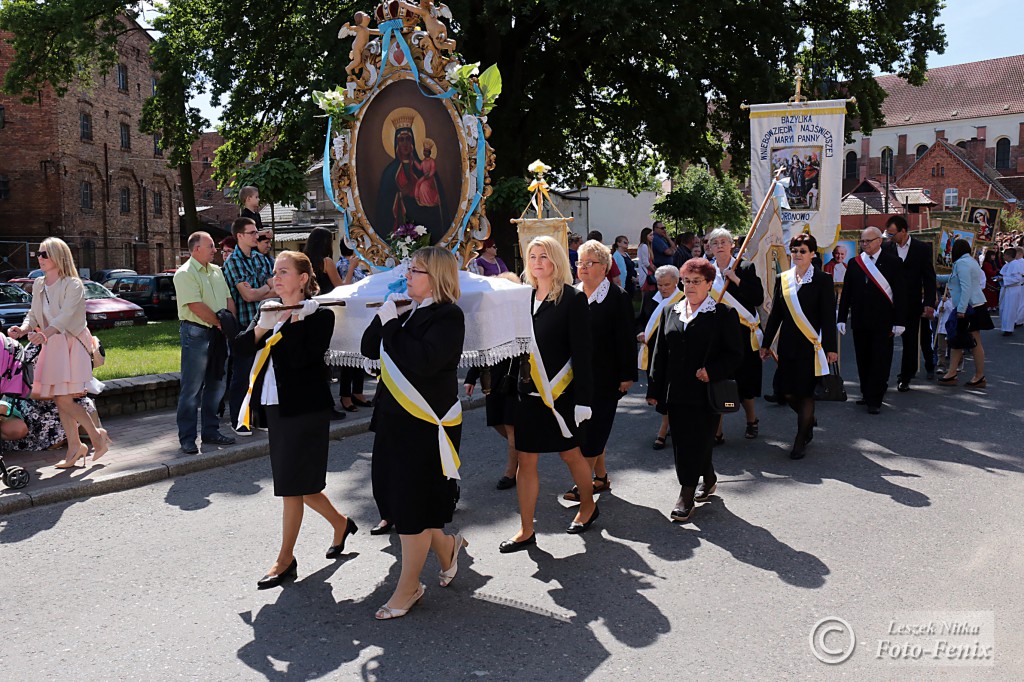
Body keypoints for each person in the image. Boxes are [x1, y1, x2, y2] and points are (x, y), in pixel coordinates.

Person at [360, 246, 468, 619]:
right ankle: (448, 548)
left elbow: (424, 362)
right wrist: (386, 318)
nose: (407, 276)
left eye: (415, 271)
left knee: (412, 509)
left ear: (435, 276)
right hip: (395, 420)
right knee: (403, 501)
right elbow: (367, 349)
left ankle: (408, 589)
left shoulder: (449, 316)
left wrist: (392, 325)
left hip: (425, 426)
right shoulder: (407, 312)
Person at [238, 251, 357, 589]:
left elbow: (301, 359)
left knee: (292, 485)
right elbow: (240, 349)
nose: (276, 277)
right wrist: (263, 328)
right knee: (301, 484)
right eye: (275, 271)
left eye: (284, 271)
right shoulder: (269, 311)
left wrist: (290, 326)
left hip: (306, 408)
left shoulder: (320, 315)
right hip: (275, 406)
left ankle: (285, 559)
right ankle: (340, 523)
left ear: (303, 279)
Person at [500, 236, 596, 553]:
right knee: (525, 461)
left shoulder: (572, 299)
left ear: (556, 260)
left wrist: (584, 399)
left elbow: (583, 352)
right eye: (532, 256)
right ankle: (527, 529)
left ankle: (587, 506)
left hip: (561, 396)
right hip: (528, 394)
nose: (537, 261)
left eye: (544, 256)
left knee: (571, 455)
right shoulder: (523, 298)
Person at [646, 258, 742, 522]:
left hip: (705, 394)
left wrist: (713, 371)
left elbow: (735, 355)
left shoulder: (722, 315)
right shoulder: (670, 311)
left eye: (696, 281)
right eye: (686, 281)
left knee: (697, 440)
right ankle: (708, 477)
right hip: (676, 391)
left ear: (709, 284)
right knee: (682, 441)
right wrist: (654, 387)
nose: (689, 286)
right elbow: (660, 354)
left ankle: (686, 494)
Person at [6, 237, 110, 468]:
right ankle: (77, 446)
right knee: (59, 398)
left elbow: (64, 317)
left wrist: (44, 334)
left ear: (58, 256)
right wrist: (22, 330)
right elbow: (33, 315)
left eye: (44, 254)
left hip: (70, 344)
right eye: (38, 254)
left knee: (64, 398)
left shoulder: (73, 284)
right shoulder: (39, 284)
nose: (39, 258)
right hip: (52, 345)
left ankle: (94, 437)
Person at [561, 240, 636, 503]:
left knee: (594, 430)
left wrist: (627, 375)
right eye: (579, 262)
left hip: (607, 375)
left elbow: (626, 338)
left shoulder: (618, 297)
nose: (582, 267)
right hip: (576, 376)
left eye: (589, 263)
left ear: (604, 268)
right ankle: (601, 477)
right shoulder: (571, 294)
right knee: (588, 427)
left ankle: (583, 485)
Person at [760, 233, 839, 459]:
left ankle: (800, 438)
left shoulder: (823, 280)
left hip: (811, 347)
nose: (797, 255)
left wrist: (831, 348)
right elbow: (776, 315)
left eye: (802, 251)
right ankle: (809, 419)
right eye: (794, 250)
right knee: (785, 392)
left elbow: (827, 318)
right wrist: (766, 344)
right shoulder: (783, 279)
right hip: (787, 346)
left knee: (805, 394)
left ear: (812, 254)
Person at [173, 231, 237, 454]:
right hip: (196, 333)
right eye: (210, 246)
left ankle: (210, 431)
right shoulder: (185, 274)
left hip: (219, 333)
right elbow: (195, 306)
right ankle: (188, 438)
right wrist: (221, 323)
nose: (215, 249)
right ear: (196, 249)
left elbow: (229, 299)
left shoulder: (217, 271)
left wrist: (229, 322)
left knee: (217, 383)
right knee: (192, 388)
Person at [836, 227, 906, 415]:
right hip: (860, 320)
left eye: (868, 241)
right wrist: (841, 317)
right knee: (863, 359)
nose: (864, 245)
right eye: (862, 241)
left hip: (884, 321)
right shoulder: (855, 263)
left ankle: (875, 398)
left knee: (880, 360)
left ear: (879, 241)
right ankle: (866, 393)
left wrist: (900, 321)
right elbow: (847, 292)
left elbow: (900, 293)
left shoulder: (894, 262)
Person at [463, 272, 522, 491]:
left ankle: (512, 471)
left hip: (513, 377)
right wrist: (471, 377)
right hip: (492, 377)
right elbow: (482, 348)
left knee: (511, 425)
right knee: (497, 421)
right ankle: (520, 451)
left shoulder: (520, 315)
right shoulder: (490, 315)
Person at [706, 227, 764, 440]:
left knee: (746, 383)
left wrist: (736, 279)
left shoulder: (745, 268)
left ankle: (751, 420)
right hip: (717, 337)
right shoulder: (706, 271)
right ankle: (718, 429)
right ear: (710, 248)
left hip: (742, 334)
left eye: (723, 241)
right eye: (715, 243)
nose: (719, 246)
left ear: (732, 245)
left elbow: (757, 298)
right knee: (721, 382)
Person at [223, 216, 276, 436]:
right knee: (242, 375)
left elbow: (276, 288)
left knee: (261, 373)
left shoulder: (261, 259)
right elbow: (247, 295)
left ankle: (257, 417)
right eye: (252, 233)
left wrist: (261, 290)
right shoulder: (233, 262)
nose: (257, 235)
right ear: (240, 236)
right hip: (245, 326)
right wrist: (264, 288)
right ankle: (239, 420)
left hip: (267, 322)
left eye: (257, 232)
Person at [883, 215, 938, 390]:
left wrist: (929, 302)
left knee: (910, 341)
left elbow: (929, 277)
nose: (890, 237)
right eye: (888, 234)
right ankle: (881, 378)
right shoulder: (887, 248)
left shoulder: (921, 249)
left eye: (893, 233)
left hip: (912, 303)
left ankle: (905, 376)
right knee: (885, 341)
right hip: (890, 303)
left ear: (903, 231)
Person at [637, 264, 683, 450]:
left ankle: (663, 430)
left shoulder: (683, 300)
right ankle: (669, 423)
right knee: (659, 391)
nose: (663, 288)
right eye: (660, 285)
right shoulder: (650, 298)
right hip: (653, 354)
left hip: (672, 355)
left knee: (668, 393)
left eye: (667, 285)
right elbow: (640, 320)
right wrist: (640, 332)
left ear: (676, 282)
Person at [939, 239, 993, 387]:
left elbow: (966, 287)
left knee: (973, 343)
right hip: (972, 305)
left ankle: (979, 376)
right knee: (958, 340)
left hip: (969, 307)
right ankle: (952, 373)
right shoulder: (970, 261)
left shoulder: (962, 263)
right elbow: (954, 279)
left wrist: (961, 310)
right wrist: (934, 276)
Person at [997, 248, 1023, 336]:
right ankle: (1005, 327)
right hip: (1007, 288)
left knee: (1010, 309)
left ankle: (1009, 328)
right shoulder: (1009, 264)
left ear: (1008, 255)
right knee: (1004, 308)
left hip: (1013, 289)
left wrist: (1003, 279)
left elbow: (1017, 278)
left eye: (1004, 255)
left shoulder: (1016, 264)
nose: (1003, 257)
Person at [637, 227, 656, 295]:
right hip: (647, 274)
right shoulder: (644, 246)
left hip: (648, 273)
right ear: (645, 236)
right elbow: (646, 263)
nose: (652, 237)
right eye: (650, 235)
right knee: (647, 296)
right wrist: (655, 271)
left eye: (652, 235)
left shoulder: (644, 246)